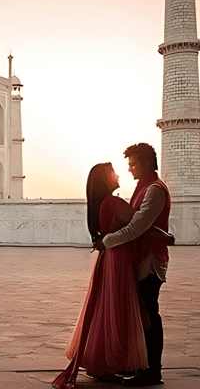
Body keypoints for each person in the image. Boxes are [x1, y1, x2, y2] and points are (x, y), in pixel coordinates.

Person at [53, 162, 148, 389]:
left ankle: (102, 362)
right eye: (113, 173)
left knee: (106, 308)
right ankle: (113, 361)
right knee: (118, 308)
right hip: (119, 258)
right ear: (106, 180)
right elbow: (138, 222)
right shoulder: (113, 202)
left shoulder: (100, 205)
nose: (118, 176)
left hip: (109, 258)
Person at [96, 143, 172, 386]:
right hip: (140, 258)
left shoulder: (155, 190)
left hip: (150, 260)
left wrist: (106, 241)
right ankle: (143, 367)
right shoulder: (144, 188)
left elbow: (137, 226)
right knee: (143, 313)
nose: (129, 169)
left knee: (150, 313)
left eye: (133, 163)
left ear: (147, 163)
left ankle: (153, 371)